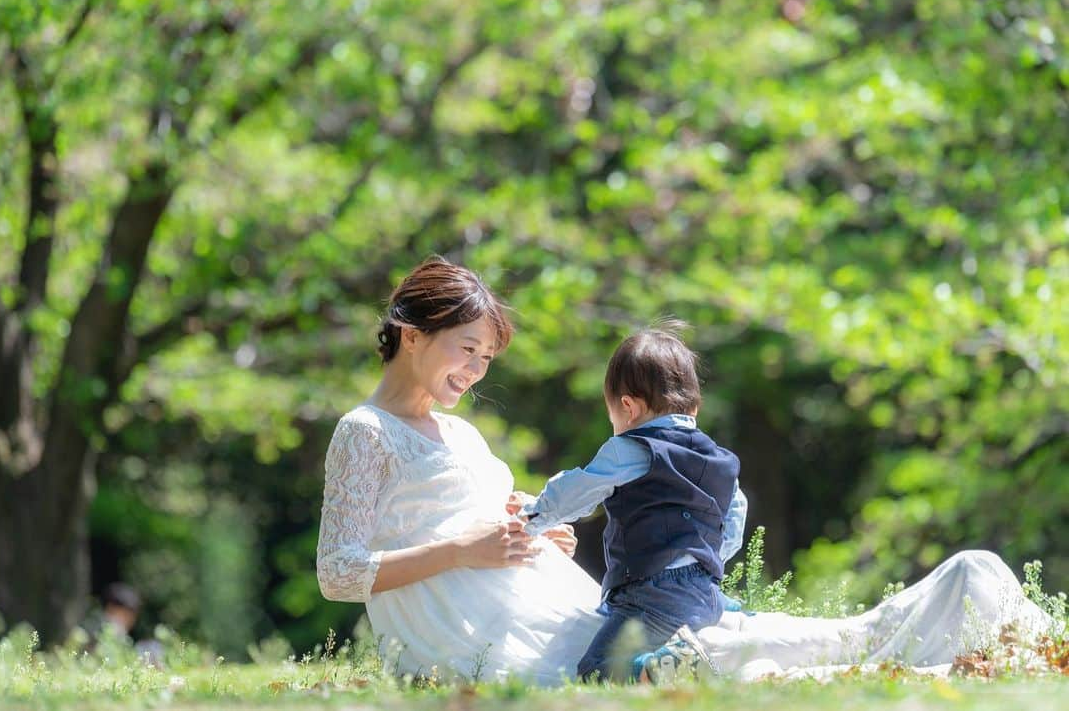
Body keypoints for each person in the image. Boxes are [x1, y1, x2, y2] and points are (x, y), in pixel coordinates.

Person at [317, 256, 1051, 685]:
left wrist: (538, 537)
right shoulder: (364, 431)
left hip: (549, 601)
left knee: (729, 638)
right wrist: (469, 551)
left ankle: (945, 615)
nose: (475, 370)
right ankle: (920, 648)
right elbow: (340, 572)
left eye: (484, 357)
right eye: (465, 349)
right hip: (464, 628)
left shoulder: (461, 434)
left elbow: (497, 524)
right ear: (413, 337)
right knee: (695, 659)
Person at [512, 322, 745, 681]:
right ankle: (692, 649)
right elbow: (734, 514)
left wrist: (533, 516)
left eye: (612, 419)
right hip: (706, 593)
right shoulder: (718, 458)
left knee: (596, 669)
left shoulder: (633, 447)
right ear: (694, 407)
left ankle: (667, 669)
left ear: (627, 408)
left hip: (654, 596)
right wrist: (705, 562)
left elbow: (580, 488)